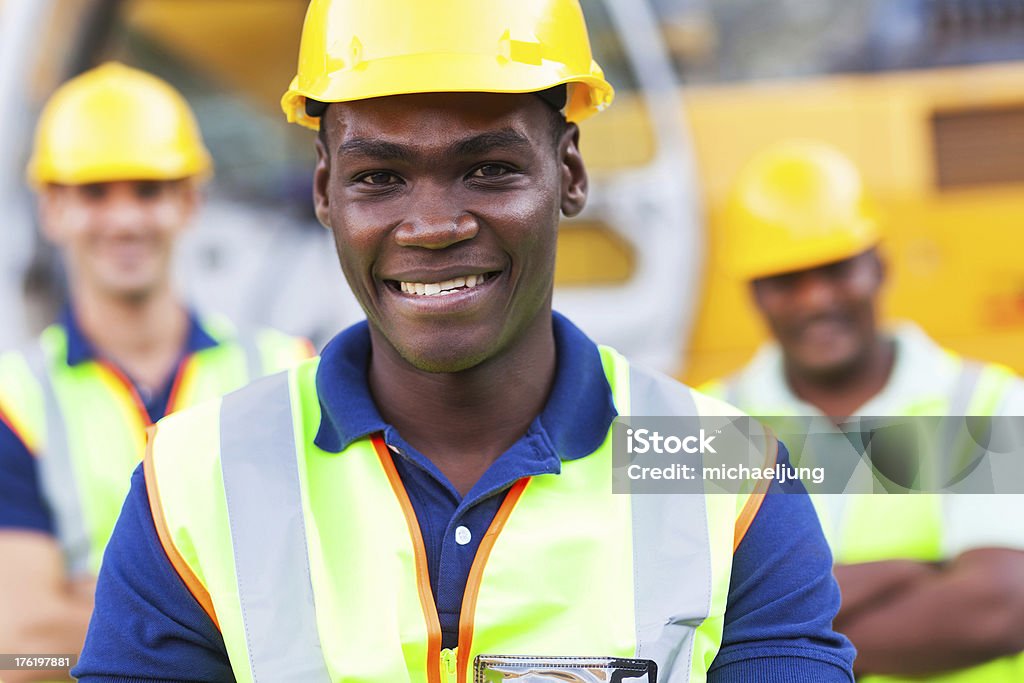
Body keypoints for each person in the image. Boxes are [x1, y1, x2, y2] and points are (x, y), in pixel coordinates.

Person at [74, 3, 856, 681]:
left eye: (487, 169)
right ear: (324, 192)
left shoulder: (729, 474)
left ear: (570, 173)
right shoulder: (192, 483)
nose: (434, 225)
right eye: (379, 177)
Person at [0, 62, 313, 681]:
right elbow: (20, 649)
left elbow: (336, 598)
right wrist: (235, 604)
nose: (123, 220)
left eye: (147, 190)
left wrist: (98, 605)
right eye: (94, 193)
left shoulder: (290, 371)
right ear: (53, 209)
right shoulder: (15, 400)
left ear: (189, 201)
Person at [702, 139, 1024, 681]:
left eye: (836, 269)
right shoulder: (696, 421)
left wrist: (766, 631)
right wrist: (914, 571)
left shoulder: (990, 402)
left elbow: (1000, 610)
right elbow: (660, 617)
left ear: (880, 266)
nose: (816, 299)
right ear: (754, 293)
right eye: (786, 279)